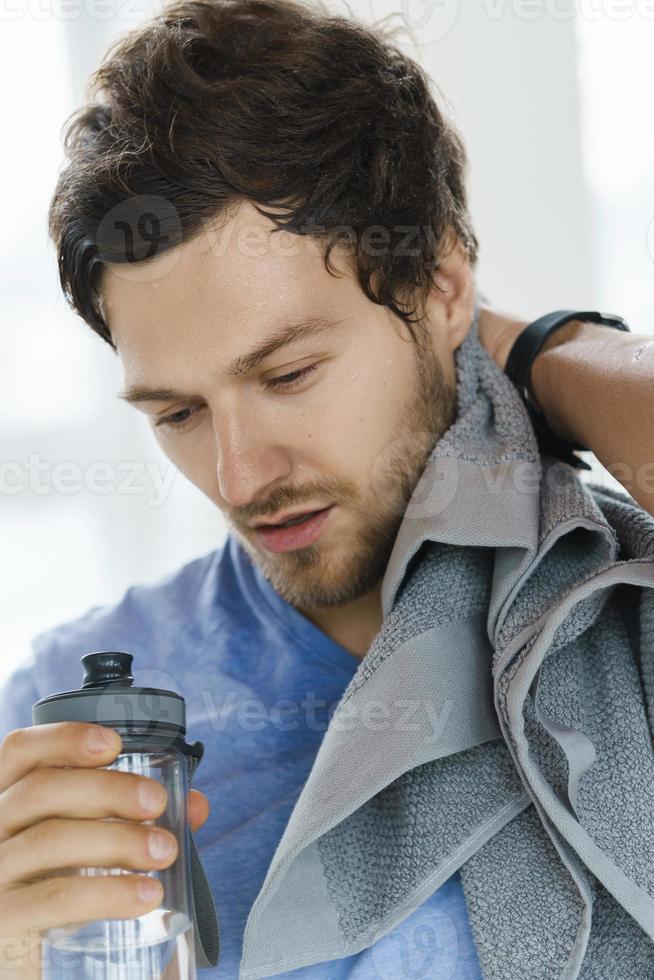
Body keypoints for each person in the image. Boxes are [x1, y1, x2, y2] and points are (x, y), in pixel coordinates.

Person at [1, 1, 652, 976]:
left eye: (289, 373)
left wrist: (535, 348)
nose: (238, 475)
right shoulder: (76, 728)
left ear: (440, 289)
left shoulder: (615, 610)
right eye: (177, 412)